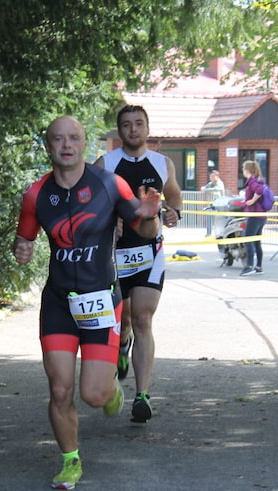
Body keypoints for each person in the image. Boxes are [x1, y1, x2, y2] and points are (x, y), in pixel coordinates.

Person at [13, 115, 161, 490]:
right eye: (58, 139)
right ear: (48, 146)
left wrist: (150, 215)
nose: (66, 145)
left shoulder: (110, 184)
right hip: (59, 303)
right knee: (60, 388)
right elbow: (25, 239)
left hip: (100, 300)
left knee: (93, 394)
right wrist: (22, 249)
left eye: (73, 138)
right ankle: (70, 460)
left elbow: (143, 228)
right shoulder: (35, 194)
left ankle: (112, 391)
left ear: (84, 145)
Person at [93, 105, 182, 424]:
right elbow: (91, 204)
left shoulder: (162, 163)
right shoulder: (106, 164)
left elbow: (173, 196)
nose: (133, 130)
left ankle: (142, 395)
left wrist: (173, 212)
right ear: (119, 131)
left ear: (147, 128)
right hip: (114, 253)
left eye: (139, 124)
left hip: (149, 252)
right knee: (125, 318)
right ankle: (122, 345)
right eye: (127, 125)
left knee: (143, 318)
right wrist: (108, 220)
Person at [239, 160, 267, 276]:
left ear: (247, 170)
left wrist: (251, 201)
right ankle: (259, 266)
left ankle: (249, 266)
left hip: (254, 215)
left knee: (248, 239)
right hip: (261, 215)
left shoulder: (252, 181)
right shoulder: (259, 179)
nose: (243, 171)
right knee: (256, 241)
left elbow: (259, 191)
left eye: (243, 169)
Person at [202, 170, 225, 236]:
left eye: (212, 176)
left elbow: (216, 189)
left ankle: (219, 234)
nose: (211, 178)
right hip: (211, 204)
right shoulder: (210, 183)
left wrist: (206, 190)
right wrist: (203, 188)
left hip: (218, 205)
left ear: (216, 176)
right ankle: (208, 233)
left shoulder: (219, 183)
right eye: (210, 176)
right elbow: (205, 187)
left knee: (218, 219)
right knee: (209, 217)